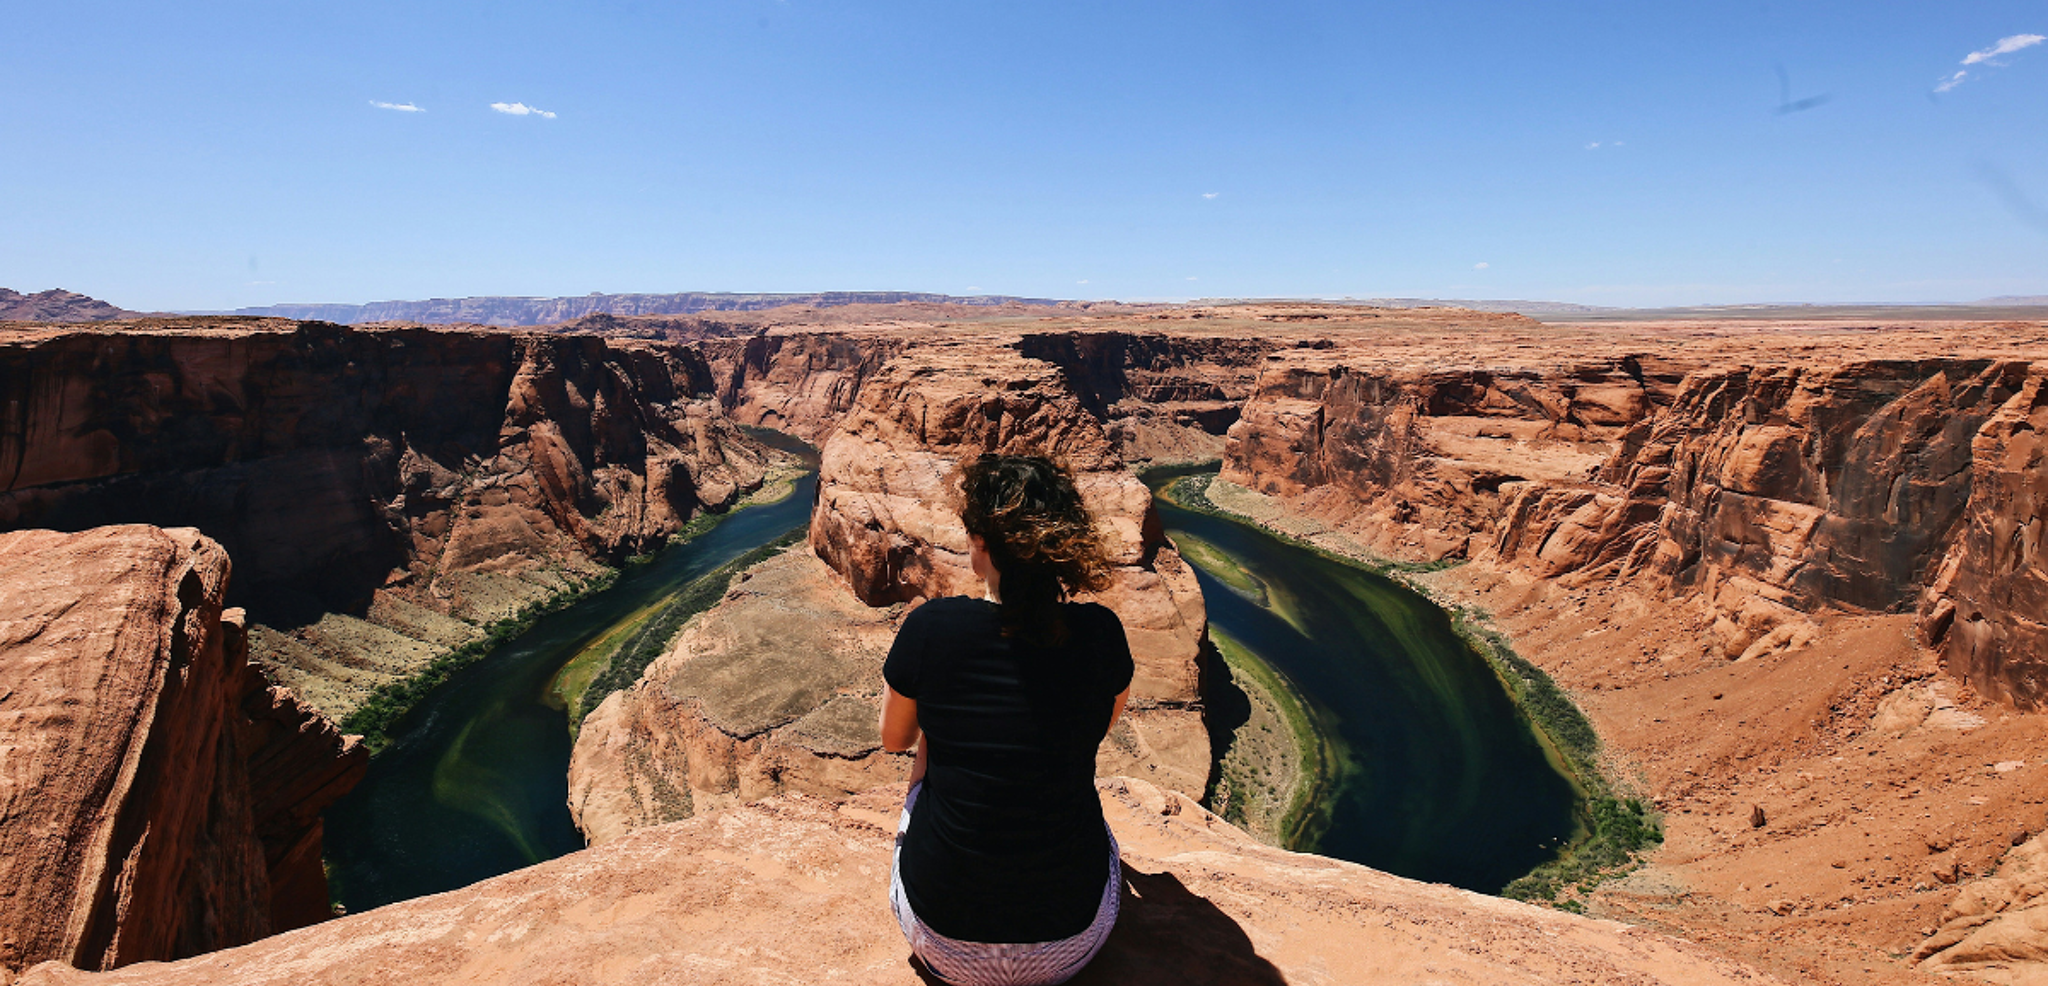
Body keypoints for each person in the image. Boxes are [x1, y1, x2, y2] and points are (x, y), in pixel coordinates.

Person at [880, 453, 1134, 986]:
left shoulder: (931, 629)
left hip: (943, 943)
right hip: (1071, 943)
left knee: (932, 743)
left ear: (981, 543)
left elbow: (895, 740)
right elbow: (1100, 728)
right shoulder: (1103, 633)